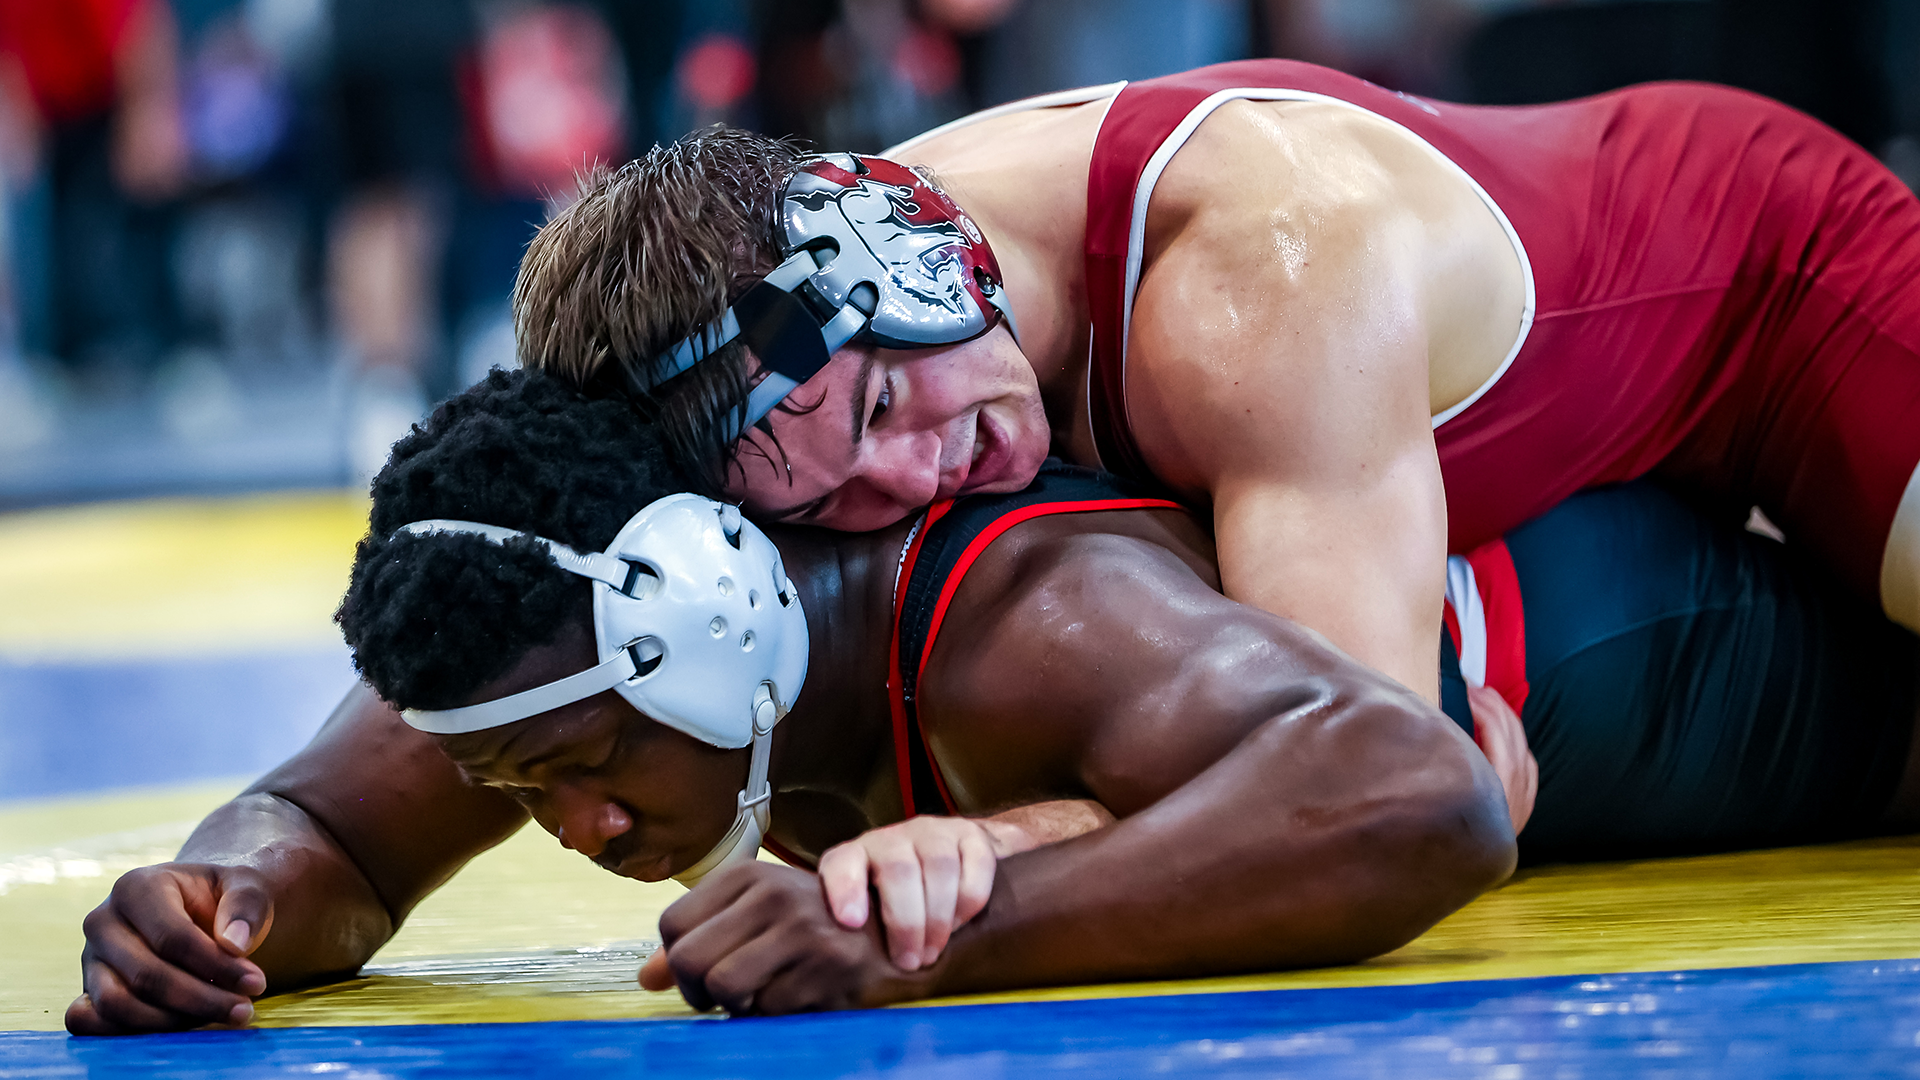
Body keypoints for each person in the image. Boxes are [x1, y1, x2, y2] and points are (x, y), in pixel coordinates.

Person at [67, 371, 1918, 1032]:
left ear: (708, 612)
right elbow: (322, 830)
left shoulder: (1021, 607)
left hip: (1684, 649)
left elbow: (1421, 796)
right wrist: (216, 907)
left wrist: (937, 938)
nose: (577, 833)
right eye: (525, 791)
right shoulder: (567, 652)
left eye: (583, 774)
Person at [512, 61, 1920, 711]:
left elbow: (1354, 759)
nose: (914, 482)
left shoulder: (1259, 276)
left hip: (1781, 296)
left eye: (882, 413)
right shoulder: (820, 275)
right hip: (1544, 461)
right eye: (832, 504)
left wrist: (990, 851)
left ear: (917, 259)